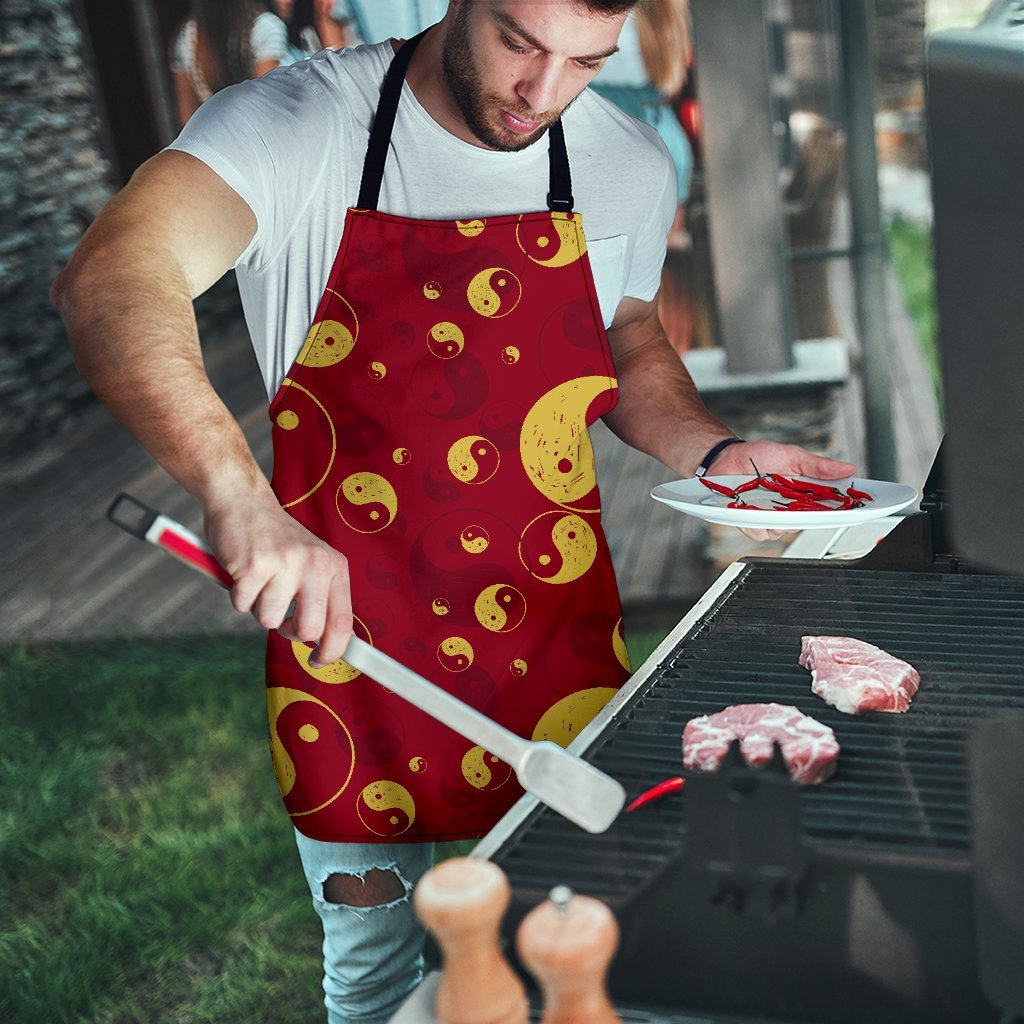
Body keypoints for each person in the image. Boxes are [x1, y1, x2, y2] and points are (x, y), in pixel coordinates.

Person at [53, 2, 855, 1021]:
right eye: (521, 43)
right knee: (379, 974)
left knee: (585, 941)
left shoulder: (625, 160)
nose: (543, 93)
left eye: (585, 62)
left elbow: (628, 333)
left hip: (551, 630)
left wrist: (717, 449)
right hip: (346, 648)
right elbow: (112, 275)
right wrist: (236, 497)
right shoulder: (296, 124)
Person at [170, 0, 289, 125]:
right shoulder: (265, 27)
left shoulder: (187, 37)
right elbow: (267, 104)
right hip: (262, 134)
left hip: (215, 137)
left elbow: (186, 117)